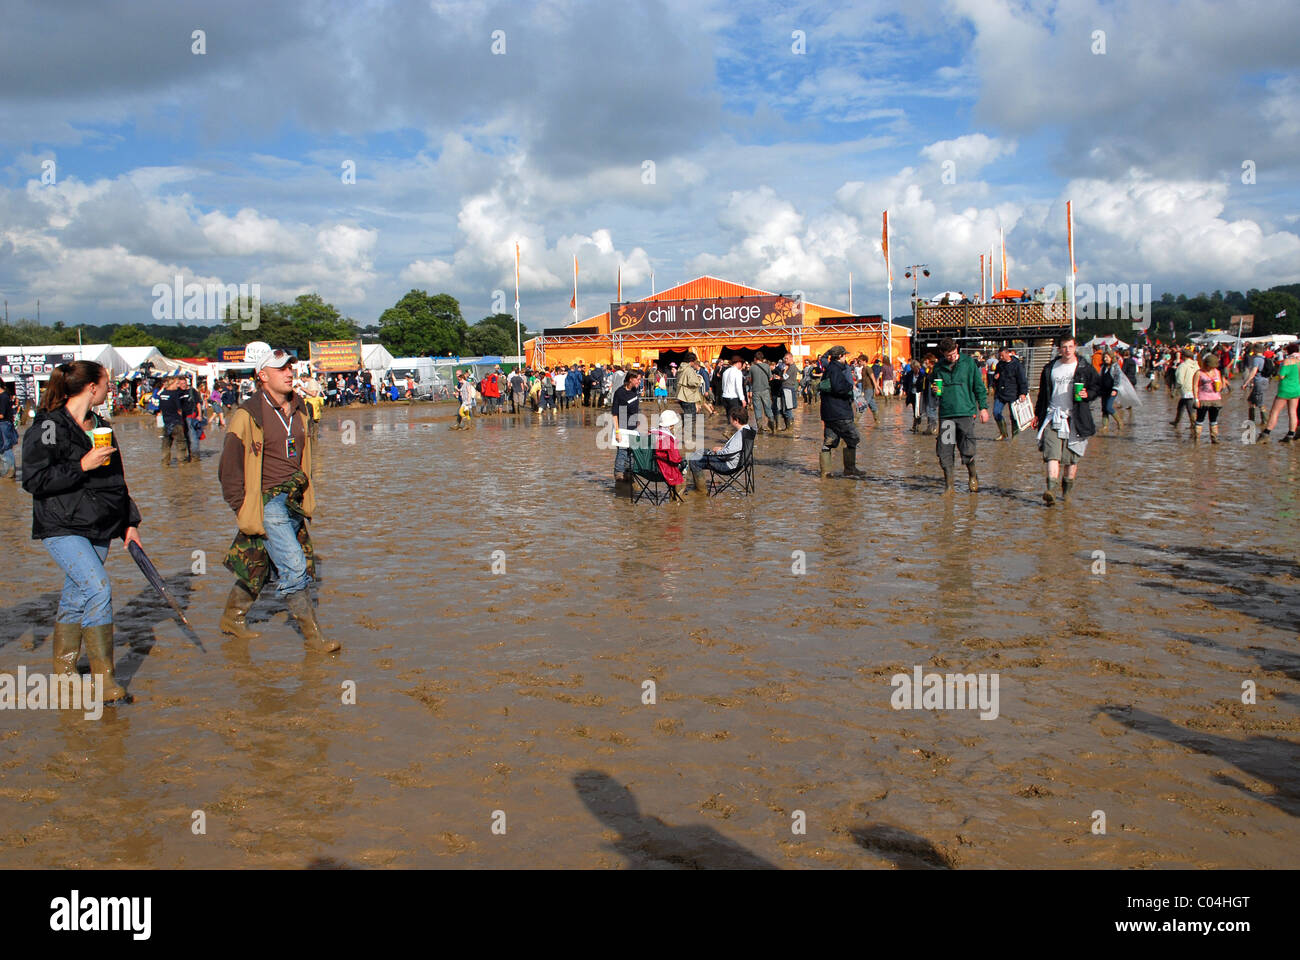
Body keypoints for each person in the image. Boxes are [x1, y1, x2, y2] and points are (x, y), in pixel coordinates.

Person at [22, 360, 142, 703]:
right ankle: (106, 681)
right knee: (98, 588)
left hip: (101, 522)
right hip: (61, 523)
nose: (110, 389)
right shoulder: (48, 425)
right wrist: (81, 465)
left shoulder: (101, 425)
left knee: (77, 596)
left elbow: (117, 481)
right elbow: (33, 479)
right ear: (92, 387)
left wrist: (129, 523)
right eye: (107, 383)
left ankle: (64, 671)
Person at [217, 347, 339, 653]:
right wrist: (243, 508)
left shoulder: (300, 408)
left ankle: (232, 617)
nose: (289, 373)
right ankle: (314, 639)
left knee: (261, 563)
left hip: (293, 499)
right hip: (266, 502)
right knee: (295, 567)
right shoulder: (247, 415)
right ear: (262, 376)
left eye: (290, 368)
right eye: (281, 369)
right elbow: (228, 469)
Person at [1031, 333, 1101, 504]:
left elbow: (1097, 387)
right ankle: (1051, 491)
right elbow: (1042, 394)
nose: (1067, 350)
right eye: (1064, 347)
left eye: (1070, 346)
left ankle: (1067, 493)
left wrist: (1087, 394)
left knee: (1071, 459)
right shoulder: (1049, 368)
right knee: (1052, 455)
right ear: (1059, 348)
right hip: (1052, 415)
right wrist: (1037, 415)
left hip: (1075, 418)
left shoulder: (1084, 367)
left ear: (1075, 347)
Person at [932, 338, 989, 492]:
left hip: (965, 412)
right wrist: (936, 390)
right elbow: (937, 389)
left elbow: (978, 386)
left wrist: (983, 407)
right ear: (943, 353)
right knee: (945, 451)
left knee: (967, 448)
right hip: (946, 415)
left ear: (957, 348)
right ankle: (949, 486)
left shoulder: (968, 363)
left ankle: (972, 475)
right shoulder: (938, 367)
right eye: (948, 355)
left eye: (954, 354)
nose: (951, 357)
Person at [818, 345, 865, 478]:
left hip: (828, 412)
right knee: (853, 438)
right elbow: (838, 388)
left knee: (829, 440)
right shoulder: (836, 370)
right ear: (840, 356)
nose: (846, 358)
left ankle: (825, 472)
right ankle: (849, 469)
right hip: (839, 411)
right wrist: (850, 389)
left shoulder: (829, 368)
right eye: (845, 355)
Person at [687, 407, 752, 492]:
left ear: (736, 420)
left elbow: (727, 455)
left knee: (694, 461)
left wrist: (717, 451)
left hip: (728, 466)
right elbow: (736, 450)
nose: (730, 419)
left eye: (731, 418)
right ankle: (694, 480)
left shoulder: (739, 436)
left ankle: (701, 491)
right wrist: (721, 448)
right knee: (702, 451)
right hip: (740, 462)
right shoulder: (748, 430)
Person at [1256, 342, 1300, 443]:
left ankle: (1266, 433)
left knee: (1275, 412)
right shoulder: (1299, 361)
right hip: (1296, 389)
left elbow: (1281, 376)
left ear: (1288, 351)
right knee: (1293, 412)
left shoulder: (1287, 361)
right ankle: (1290, 435)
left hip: (1285, 389)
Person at [612, 368, 642, 483]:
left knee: (633, 453)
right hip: (623, 427)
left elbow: (634, 408)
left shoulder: (635, 390)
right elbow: (615, 413)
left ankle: (629, 474)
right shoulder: (620, 393)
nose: (639, 382)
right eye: (638, 379)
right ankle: (619, 477)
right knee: (622, 452)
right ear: (631, 379)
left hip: (633, 427)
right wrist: (617, 432)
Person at [990, 345, 1028, 439]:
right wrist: (995, 378)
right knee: (996, 412)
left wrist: (1023, 393)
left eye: (1002, 355)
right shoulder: (1000, 364)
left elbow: (1022, 380)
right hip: (1001, 393)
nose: (1001, 358)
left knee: (1014, 416)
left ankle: (1015, 437)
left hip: (1013, 394)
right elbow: (996, 376)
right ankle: (1003, 434)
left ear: (1008, 353)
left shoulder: (1017, 365)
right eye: (1000, 356)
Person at [649, 408, 687, 503]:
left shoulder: (650, 433)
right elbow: (675, 459)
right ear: (671, 426)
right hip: (663, 470)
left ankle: (673, 494)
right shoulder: (668, 438)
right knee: (684, 470)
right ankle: (675, 501)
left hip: (647, 469)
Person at [157, 376, 193, 465]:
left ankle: (165, 463)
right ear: (171, 384)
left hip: (166, 423)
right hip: (176, 422)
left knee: (166, 444)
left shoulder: (162, 394)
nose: (178, 386)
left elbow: (160, 409)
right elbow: (179, 410)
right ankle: (182, 462)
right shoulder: (174, 394)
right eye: (177, 383)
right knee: (181, 443)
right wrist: (182, 421)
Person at [1193, 353, 1225, 443]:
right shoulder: (1199, 373)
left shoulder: (1217, 372)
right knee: (1200, 419)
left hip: (1215, 400)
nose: (1211, 368)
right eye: (1209, 366)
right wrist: (1196, 399)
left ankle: (1214, 439)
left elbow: (1221, 386)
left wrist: (1219, 385)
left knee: (1214, 420)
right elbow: (1195, 386)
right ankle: (1197, 439)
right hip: (1203, 399)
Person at [675, 354, 711, 425]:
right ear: (691, 361)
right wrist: (699, 379)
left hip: (681, 395)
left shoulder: (681, 368)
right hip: (689, 396)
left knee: (687, 416)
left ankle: (686, 431)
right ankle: (689, 434)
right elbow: (692, 382)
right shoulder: (689, 369)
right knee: (691, 418)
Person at [1170, 349, 1199, 432]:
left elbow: (1179, 380)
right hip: (1194, 389)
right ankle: (1176, 422)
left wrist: (1175, 390)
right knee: (1181, 406)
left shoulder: (1182, 366)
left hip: (1186, 390)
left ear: (1184, 356)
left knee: (1190, 409)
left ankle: (1194, 426)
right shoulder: (1196, 365)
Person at [1240, 347, 1269, 425]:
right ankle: (1251, 421)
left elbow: (1253, 372)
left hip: (1259, 382)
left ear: (1255, 350)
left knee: (1260, 402)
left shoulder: (1257, 359)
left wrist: (1246, 383)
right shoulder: (1265, 358)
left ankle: (1265, 422)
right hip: (1264, 381)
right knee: (1251, 400)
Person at [748, 353, 774, 433]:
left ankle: (759, 428)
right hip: (765, 390)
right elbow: (770, 378)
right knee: (768, 408)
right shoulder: (767, 366)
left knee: (757, 409)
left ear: (755, 358)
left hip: (756, 391)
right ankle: (772, 425)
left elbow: (750, 380)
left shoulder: (752, 368)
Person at [0, 384, 17, 479]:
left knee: (5, 448)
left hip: (3, 425)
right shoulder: (5, 395)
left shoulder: (3, 398)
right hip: (5, 424)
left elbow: (1, 415)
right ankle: (9, 471)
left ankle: (10, 472)